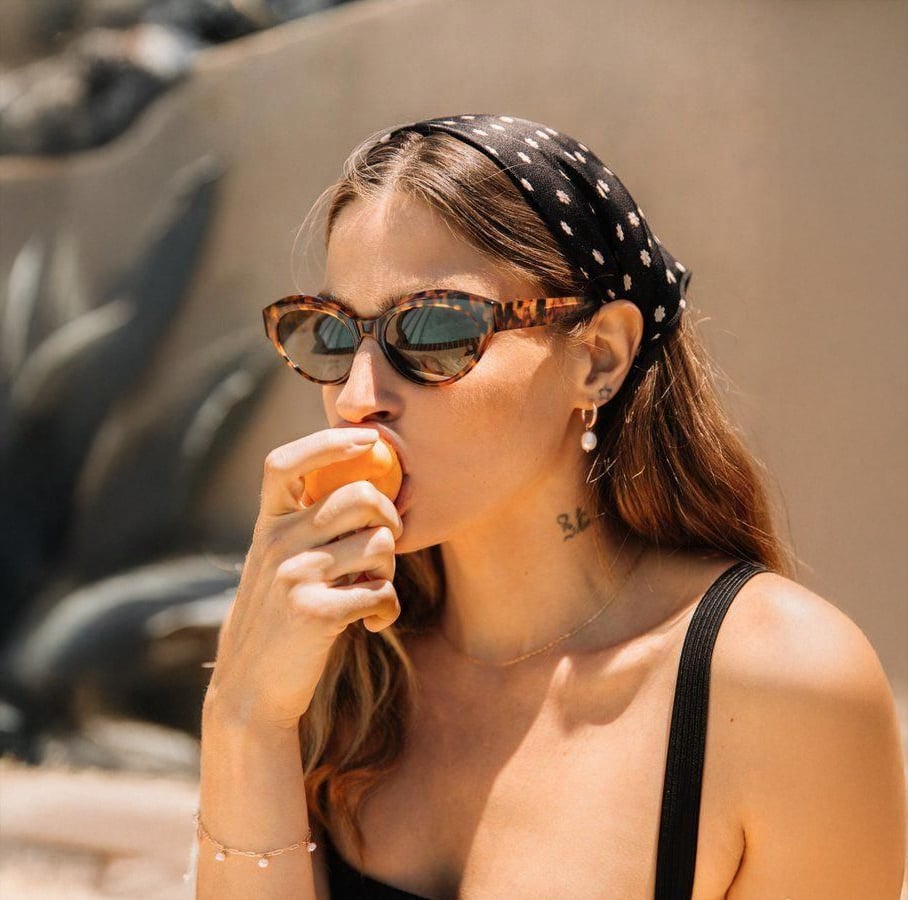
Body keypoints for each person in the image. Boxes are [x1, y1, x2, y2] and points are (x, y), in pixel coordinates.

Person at [192, 114, 906, 899]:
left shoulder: (780, 684)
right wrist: (245, 721)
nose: (359, 398)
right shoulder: (329, 659)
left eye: (433, 327)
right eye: (331, 336)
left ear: (598, 358)